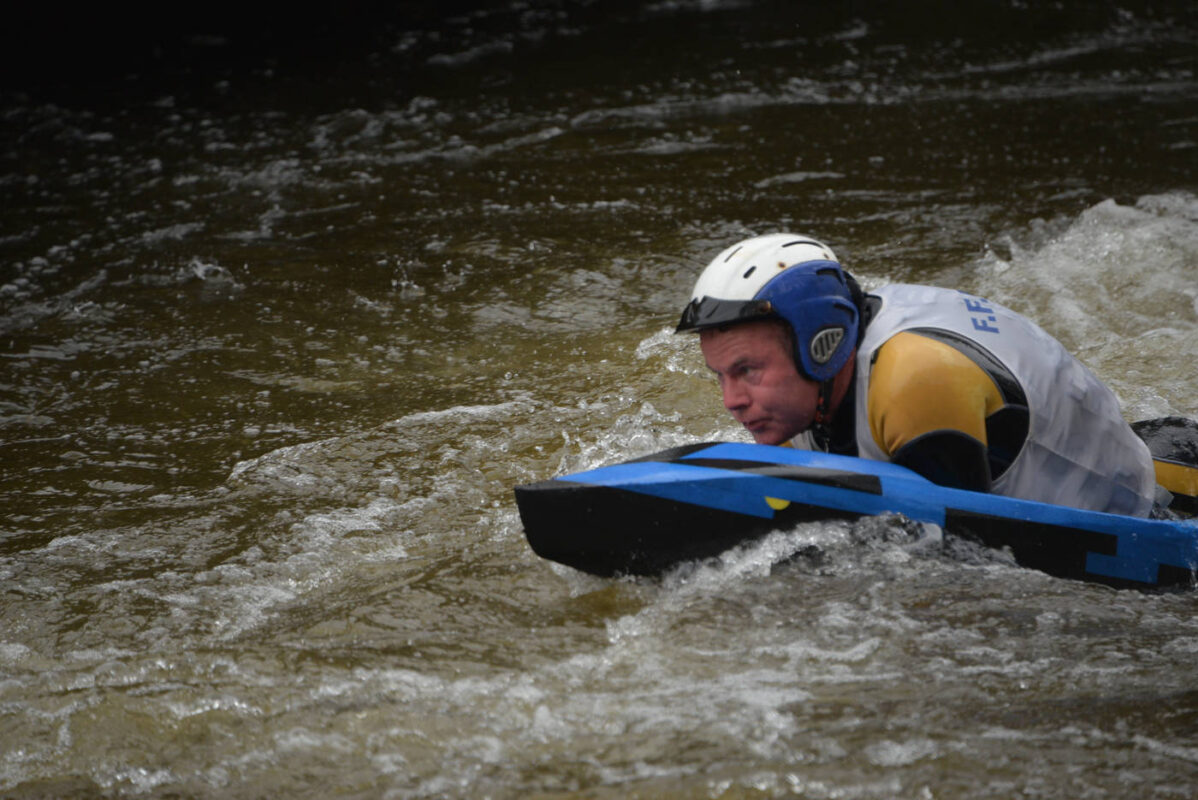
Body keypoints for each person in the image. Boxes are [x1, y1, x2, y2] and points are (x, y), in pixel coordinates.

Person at [675, 233, 1160, 517]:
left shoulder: (916, 381)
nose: (731, 401)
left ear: (820, 344)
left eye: (747, 372)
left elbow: (964, 564)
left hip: (1144, 507)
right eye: (719, 376)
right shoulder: (809, 392)